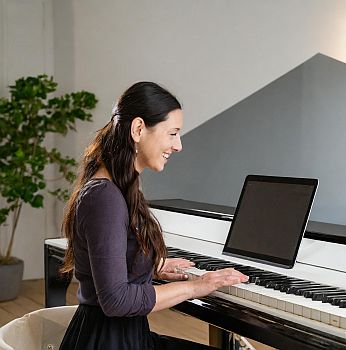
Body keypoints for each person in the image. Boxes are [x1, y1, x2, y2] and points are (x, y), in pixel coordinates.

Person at [59, 81, 248, 350]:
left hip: (124, 338)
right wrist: (198, 286)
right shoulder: (105, 196)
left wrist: (150, 267)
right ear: (138, 129)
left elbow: (108, 265)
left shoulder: (115, 186)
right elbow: (116, 300)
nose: (178, 145)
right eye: (172, 133)